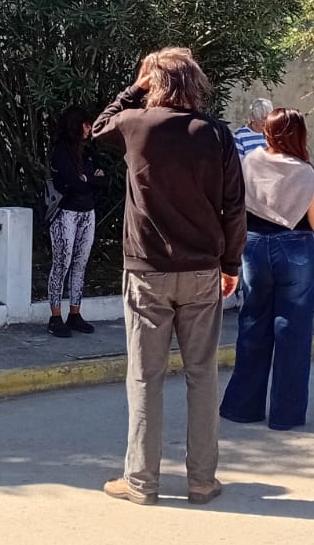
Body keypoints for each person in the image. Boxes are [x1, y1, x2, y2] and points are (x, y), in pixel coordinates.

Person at [92, 47, 245, 506]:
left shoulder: (135, 124)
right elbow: (234, 205)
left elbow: (99, 126)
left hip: (147, 270)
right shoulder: (215, 133)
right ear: (195, 84)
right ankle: (202, 480)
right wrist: (231, 264)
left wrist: (135, 86)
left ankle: (141, 481)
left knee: (145, 377)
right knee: (203, 375)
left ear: (153, 84)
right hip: (202, 269)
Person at [220, 108, 314, 430]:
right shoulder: (305, 172)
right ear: (299, 134)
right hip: (295, 247)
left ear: (267, 132)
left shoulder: (249, 162)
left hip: (253, 245)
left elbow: (234, 205)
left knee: (253, 322)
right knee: (293, 330)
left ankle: (242, 406)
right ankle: (285, 415)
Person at [46, 106, 104, 338]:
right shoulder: (61, 152)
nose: (89, 129)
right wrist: (89, 179)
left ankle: (75, 313)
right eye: (86, 124)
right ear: (75, 125)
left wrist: (86, 179)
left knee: (81, 263)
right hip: (65, 213)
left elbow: (103, 179)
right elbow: (73, 182)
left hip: (87, 212)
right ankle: (55, 316)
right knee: (61, 263)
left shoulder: (88, 151)